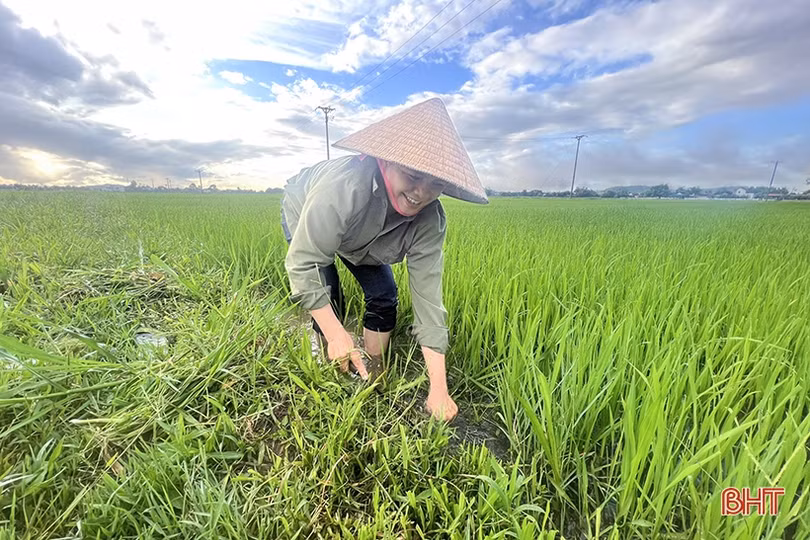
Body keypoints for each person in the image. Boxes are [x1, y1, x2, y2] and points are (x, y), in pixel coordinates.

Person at [280, 98, 488, 421]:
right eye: (413, 175)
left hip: (362, 240)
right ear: (385, 161)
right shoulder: (343, 187)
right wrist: (337, 334)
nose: (421, 193)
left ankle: (374, 370)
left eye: (435, 184)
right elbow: (303, 264)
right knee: (328, 295)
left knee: (384, 294)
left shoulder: (430, 220)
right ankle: (331, 372)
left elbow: (429, 303)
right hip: (305, 213)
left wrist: (439, 389)